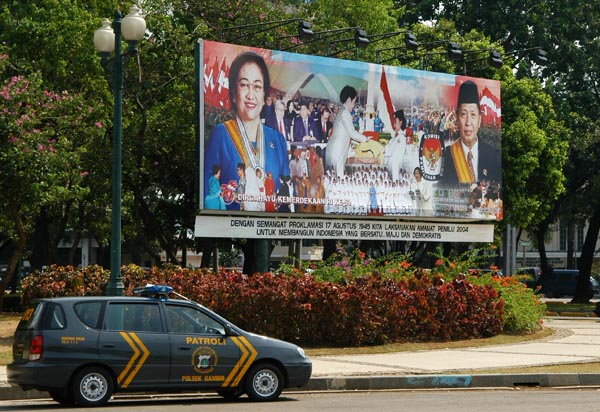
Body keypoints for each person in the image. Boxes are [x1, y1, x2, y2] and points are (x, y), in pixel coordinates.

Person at [203, 51, 290, 211]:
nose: (251, 94)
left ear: (264, 96)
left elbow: (286, 192)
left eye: (257, 86)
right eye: (244, 85)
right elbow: (208, 190)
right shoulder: (221, 134)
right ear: (234, 94)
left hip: (271, 227)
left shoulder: (277, 140)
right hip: (232, 228)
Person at [442, 80, 501, 184]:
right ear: (457, 118)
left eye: (473, 115)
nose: (468, 122)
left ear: (479, 119)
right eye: (463, 114)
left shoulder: (493, 155)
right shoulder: (446, 155)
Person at [325, 85, 369, 176]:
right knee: (338, 178)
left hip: (335, 150)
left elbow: (347, 135)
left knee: (334, 177)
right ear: (349, 99)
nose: (354, 105)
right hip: (337, 151)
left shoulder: (342, 111)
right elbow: (352, 133)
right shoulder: (345, 113)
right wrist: (365, 139)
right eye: (354, 101)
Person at [384, 109, 408, 182]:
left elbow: (396, 158)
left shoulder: (401, 138)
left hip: (394, 167)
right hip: (390, 166)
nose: (394, 125)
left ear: (400, 123)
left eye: (395, 122)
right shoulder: (395, 138)